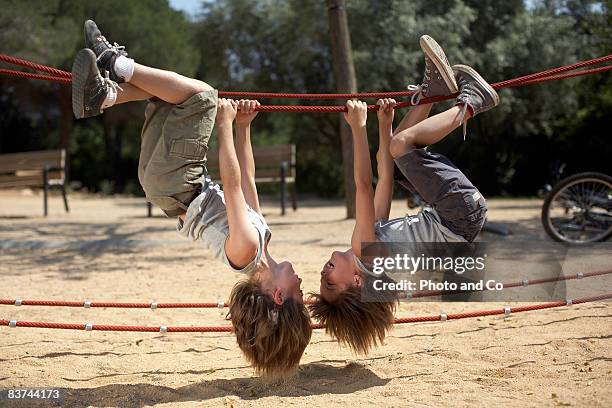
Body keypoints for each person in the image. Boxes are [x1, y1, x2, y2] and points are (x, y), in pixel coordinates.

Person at [72, 20, 311, 376]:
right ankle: (105, 96)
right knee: (169, 96)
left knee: (202, 98)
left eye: (299, 294)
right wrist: (245, 128)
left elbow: (230, 186)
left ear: (278, 295)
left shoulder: (245, 252)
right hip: (165, 184)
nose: (303, 285)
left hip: (180, 182)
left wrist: (226, 125)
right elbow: (247, 184)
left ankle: (116, 63)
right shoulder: (261, 245)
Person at [309, 35, 499, 354]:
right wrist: (357, 127)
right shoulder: (365, 253)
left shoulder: (375, 252)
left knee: (396, 151)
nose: (322, 273)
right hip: (458, 213)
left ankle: (431, 93)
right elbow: (362, 186)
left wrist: (385, 126)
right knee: (401, 147)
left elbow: (385, 180)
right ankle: (472, 103)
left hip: (460, 217)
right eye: (329, 283)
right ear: (357, 283)